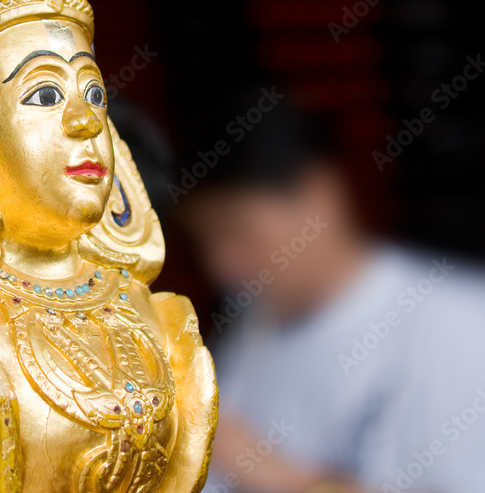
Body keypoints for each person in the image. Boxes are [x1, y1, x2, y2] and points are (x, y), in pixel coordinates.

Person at [176, 93, 485, 493]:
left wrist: (274, 476)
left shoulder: (463, 326)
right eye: (205, 241)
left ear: (320, 195)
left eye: (237, 231)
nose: (222, 266)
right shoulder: (248, 330)